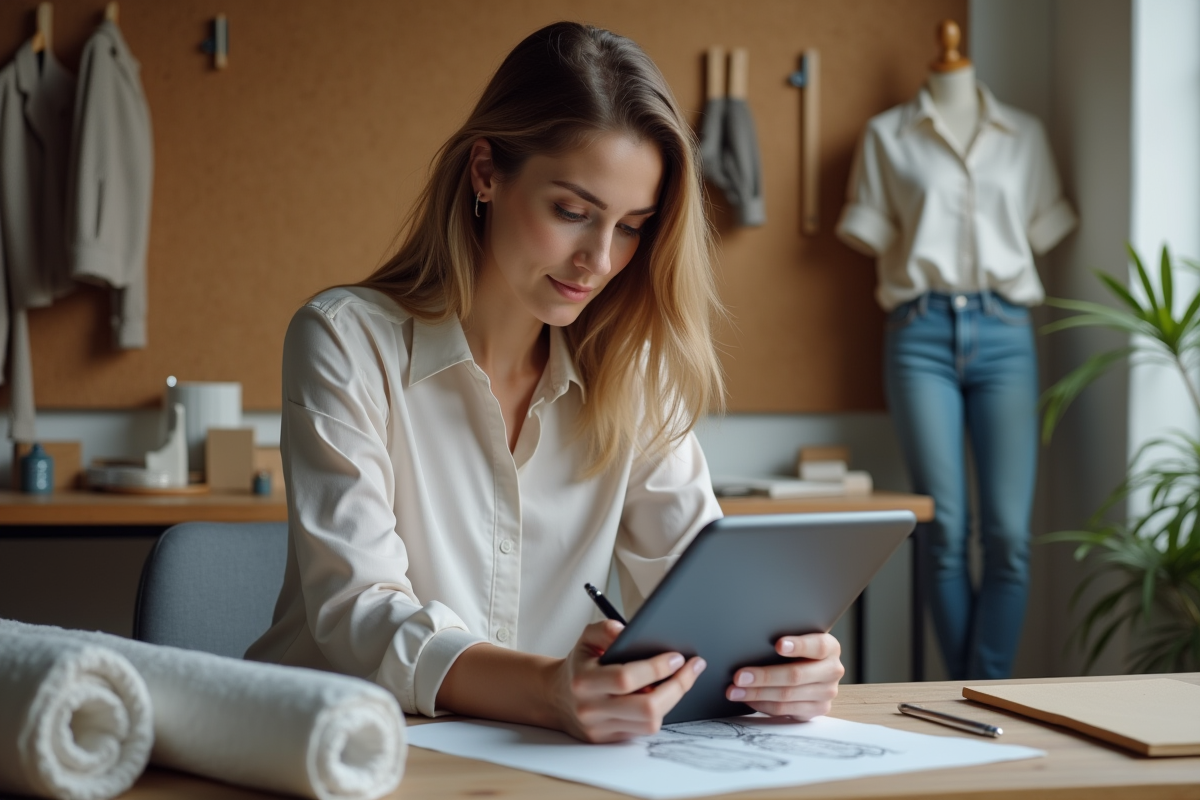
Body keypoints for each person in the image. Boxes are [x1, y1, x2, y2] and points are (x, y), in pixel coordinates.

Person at [247, 21, 844, 742]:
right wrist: (548, 691)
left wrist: (777, 663)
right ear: (486, 173)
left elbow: (699, 585)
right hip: (338, 755)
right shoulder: (345, 340)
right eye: (572, 212)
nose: (598, 259)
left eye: (631, 227)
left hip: (541, 766)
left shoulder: (633, 372)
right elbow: (362, 614)